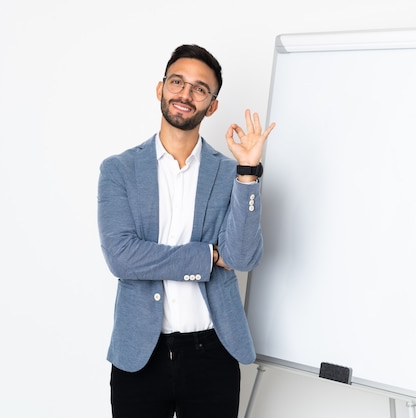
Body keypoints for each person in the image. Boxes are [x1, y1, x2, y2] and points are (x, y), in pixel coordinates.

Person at [97, 44, 276, 418]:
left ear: (211, 105)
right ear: (160, 88)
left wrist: (247, 171)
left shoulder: (230, 174)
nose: (185, 94)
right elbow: (122, 257)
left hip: (212, 351)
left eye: (199, 88)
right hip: (139, 354)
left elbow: (242, 256)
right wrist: (208, 256)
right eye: (177, 82)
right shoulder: (118, 170)